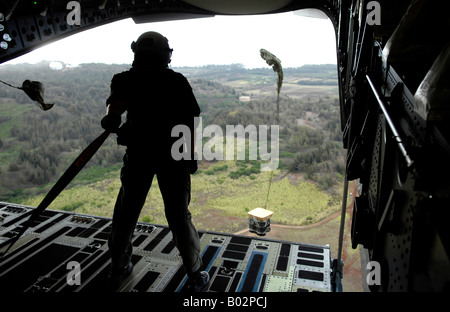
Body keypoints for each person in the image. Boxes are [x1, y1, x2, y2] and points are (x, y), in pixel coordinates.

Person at [100, 31, 209, 292]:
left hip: (138, 155)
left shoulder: (124, 80)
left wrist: (112, 121)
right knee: (178, 215)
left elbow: (113, 114)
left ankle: (118, 268)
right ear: (165, 54)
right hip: (173, 158)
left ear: (136, 52)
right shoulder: (177, 82)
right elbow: (191, 123)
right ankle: (195, 274)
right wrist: (190, 156)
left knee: (126, 212)